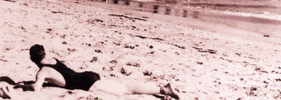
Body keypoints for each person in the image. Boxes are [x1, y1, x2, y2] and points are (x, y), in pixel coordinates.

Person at [18, 44, 180, 99]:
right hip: (87, 75)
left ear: (32, 59)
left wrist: (24, 85)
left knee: (125, 90)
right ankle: (160, 89)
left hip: (87, 83)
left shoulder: (41, 72)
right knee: (125, 87)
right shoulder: (52, 59)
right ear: (44, 53)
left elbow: (36, 88)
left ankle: (163, 88)